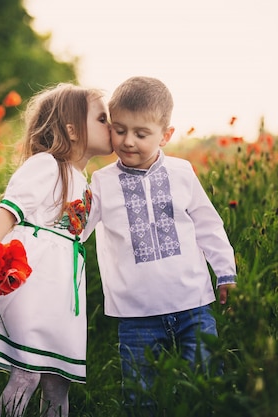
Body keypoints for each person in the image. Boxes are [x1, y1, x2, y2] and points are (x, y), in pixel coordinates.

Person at [0, 83, 112, 417]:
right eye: (102, 118)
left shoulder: (89, 183)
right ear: (72, 130)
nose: (110, 126)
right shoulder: (47, 165)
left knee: (58, 380)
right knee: (28, 372)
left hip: (64, 289)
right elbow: (9, 212)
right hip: (33, 279)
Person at [83, 76, 237, 414]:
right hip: (136, 313)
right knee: (140, 396)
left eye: (141, 134)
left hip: (193, 304)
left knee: (206, 384)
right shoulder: (102, 183)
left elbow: (209, 226)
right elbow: (77, 230)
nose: (127, 141)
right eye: (119, 129)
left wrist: (225, 273)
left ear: (165, 135)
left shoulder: (182, 173)